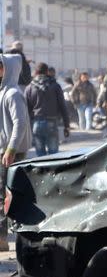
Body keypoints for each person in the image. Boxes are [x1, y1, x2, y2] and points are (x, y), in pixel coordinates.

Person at [0, 54, 32, 251]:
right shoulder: (3, 92)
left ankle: (4, 238)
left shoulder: (13, 93)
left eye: (1, 67)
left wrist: (11, 149)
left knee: (7, 194)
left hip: (11, 152)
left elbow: (20, 124)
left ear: (8, 69)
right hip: (4, 150)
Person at [24, 62, 70, 156]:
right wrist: (66, 125)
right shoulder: (55, 86)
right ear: (47, 72)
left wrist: (26, 128)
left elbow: (26, 110)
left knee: (40, 155)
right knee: (54, 155)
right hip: (52, 122)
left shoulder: (29, 87)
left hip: (36, 123)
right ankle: (53, 171)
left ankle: (43, 170)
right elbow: (63, 106)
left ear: (36, 72)